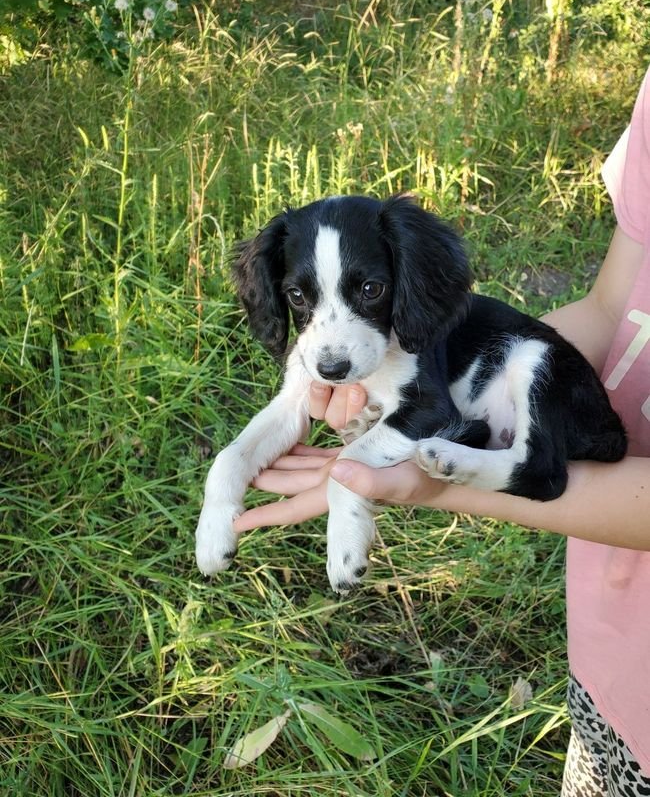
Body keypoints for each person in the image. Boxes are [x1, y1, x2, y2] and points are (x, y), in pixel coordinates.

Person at [233, 67, 650, 793]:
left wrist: (432, 473)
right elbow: (612, 308)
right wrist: (450, 390)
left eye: (368, 291)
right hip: (610, 651)